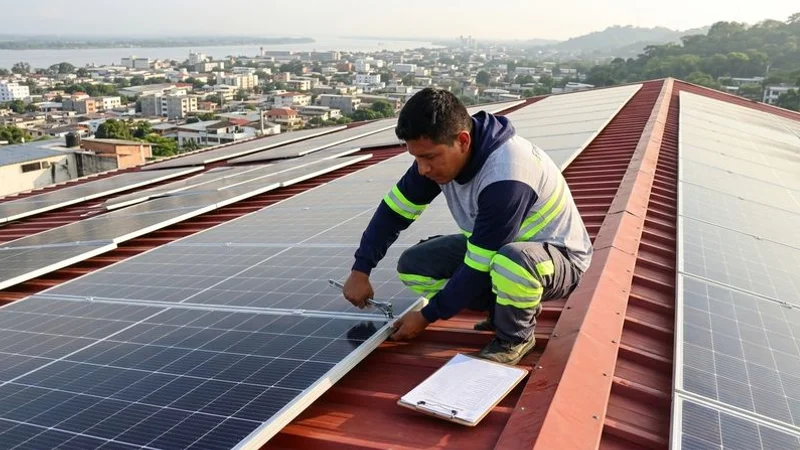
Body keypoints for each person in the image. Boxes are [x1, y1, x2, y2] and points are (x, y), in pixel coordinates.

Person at [342, 88, 592, 365]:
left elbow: (477, 264)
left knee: (513, 263)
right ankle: (501, 309)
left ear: (462, 140)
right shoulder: (437, 159)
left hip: (558, 260)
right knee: (414, 265)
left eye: (429, 157)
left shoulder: (507, 177)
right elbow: (393, 213)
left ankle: (515, 337)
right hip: (494, 250)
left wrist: (427, 316)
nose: (422, 168)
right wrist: (360, 269)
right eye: (416, 158)